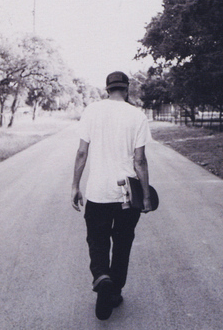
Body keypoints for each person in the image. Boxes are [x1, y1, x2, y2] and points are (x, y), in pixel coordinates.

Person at [71, 71, 152, 320]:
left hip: (98, 193)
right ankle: (114, 291)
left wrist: (75, 185)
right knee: (123, 243)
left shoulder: (92, 111)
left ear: (107, 89)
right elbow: (140, 161)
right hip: (127, 195)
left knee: (97, 241)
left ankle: (101, 277)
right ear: (126, 90)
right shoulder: (137, 115)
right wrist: (146, 196)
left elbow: (82, 153)